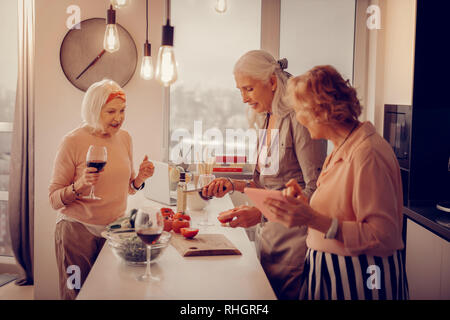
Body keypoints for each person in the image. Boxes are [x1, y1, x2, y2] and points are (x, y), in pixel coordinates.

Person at [263, 65, 409, 300]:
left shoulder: (367, 153)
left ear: (321, 111)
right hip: (331, 275)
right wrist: (305, 206)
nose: (299, 118)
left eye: (300, 110)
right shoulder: (343, 146)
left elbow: (383, 236)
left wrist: (311, 218)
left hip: (360, 281)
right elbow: (341, 212)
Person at [202, 50, 327, 299]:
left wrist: (259, 213)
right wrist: (233, 185)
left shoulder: (299, 119)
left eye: (248, 89)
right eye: (240, 90)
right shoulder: (267, 118)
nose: (244, 98)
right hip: (269, 237)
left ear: (271, 82)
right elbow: (264, 183)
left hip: (294, 242)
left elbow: (315, 189)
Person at [49, 79, 155, 300]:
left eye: (122, 110)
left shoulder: (125, 138)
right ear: (94, 110)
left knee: (107, 294)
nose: (119, 118)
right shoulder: (72, 141)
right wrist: (80, 185)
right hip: (77, 232)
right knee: (76, 293)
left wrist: (140, 179)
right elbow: (54, 199)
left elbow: (126, 189)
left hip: (113, 231)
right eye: (111, 111)